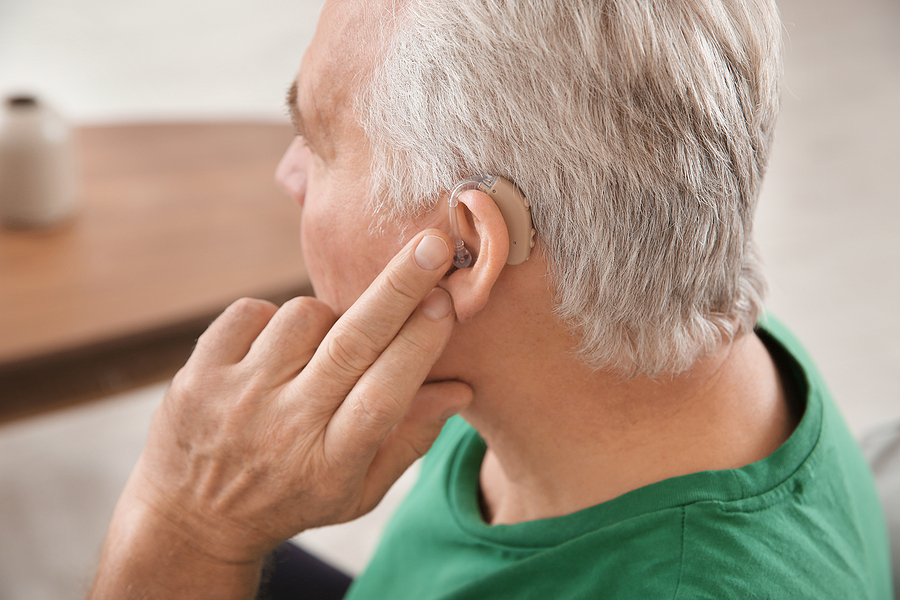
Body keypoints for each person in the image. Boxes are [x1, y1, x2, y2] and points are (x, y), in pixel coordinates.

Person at [88, 0, 893, 598]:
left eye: (322, 142)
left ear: (464, 251)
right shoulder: (668, 313)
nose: (287, 174)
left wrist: (189, 521)